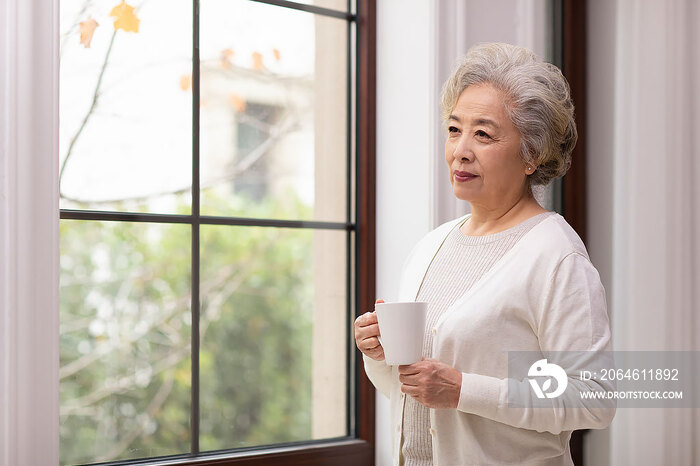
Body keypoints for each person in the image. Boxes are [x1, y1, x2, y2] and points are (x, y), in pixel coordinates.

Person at [354, 42, 615, 466]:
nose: (461, 149)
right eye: (455, 130)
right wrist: (380, 355)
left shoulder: (556, 256)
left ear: (532, 153)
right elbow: (412, 392)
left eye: (483, 134)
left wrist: (462, 389)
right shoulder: (431, 246)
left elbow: (593, 398)